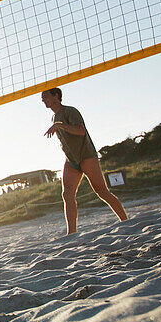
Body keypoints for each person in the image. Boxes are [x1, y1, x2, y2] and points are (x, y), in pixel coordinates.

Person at [41, 87, 128, 235]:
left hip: (86, 156)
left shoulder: (70, 111)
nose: (43, 100)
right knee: (67, 194)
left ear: (56, 96)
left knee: (101, 191)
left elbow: (81, 131)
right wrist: (58, 125)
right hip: (71, 160)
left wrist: (60, 125)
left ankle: (125, 221)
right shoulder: (54, 118)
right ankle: (71, 233)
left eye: (45, 97)